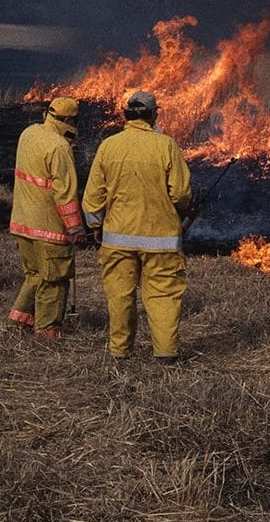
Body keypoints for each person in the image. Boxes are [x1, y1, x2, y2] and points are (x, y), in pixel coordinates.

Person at [83, 91, 192, 360]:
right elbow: (180, 193)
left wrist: (96, 224)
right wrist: (182, 211)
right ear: (153, 115)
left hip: (118, 239)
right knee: (163, 296)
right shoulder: (166, 145)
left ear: (127, 116)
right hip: (161, 239)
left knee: (119, 296)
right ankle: (166, 353)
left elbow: (93, 195)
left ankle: (120, 352)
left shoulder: (109, 146)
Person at [7, 96, 87, 339]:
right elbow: (65, 195)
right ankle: (47, 334)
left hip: (23, 223)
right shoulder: (59, 148)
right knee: (54, 280)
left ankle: (19, 321)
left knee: (35, 276)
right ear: (69, 120)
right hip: (49, 229)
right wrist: (75, 229)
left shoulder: (29, 133)